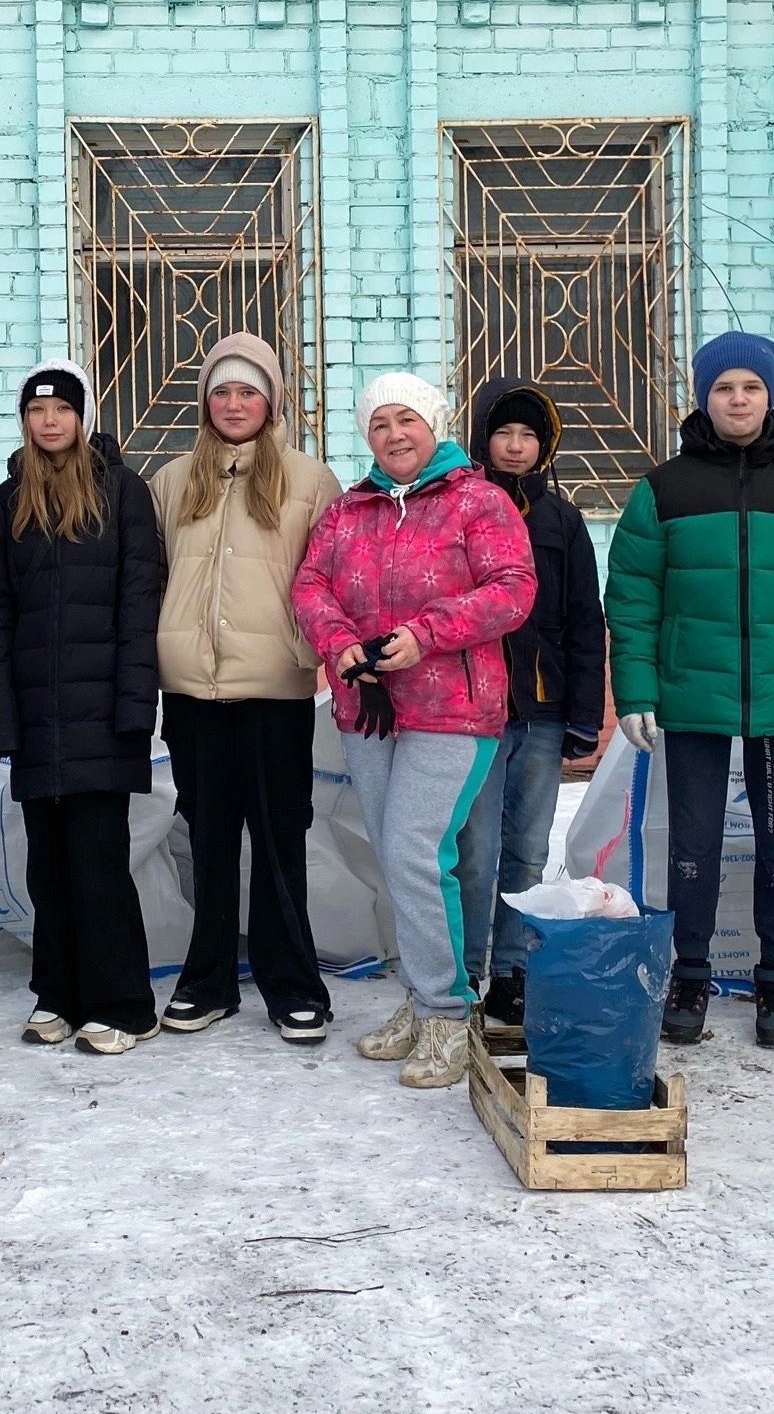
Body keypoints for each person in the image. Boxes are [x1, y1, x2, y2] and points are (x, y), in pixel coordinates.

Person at [603, 331, 774, 1052]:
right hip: (691, 703)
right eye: (724, 388)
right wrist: (635, 690)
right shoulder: (664, 489)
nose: (738, 400)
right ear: (704, 397)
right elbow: (631, 597)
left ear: (770, 394)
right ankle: (689, 972)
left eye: (750, 387)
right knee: (693, 846)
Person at [291, 373, 536, 1090]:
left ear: (434, 424)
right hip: (368, 708)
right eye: (379, 425)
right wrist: (340, 644)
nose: (394, 435)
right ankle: (423, 993)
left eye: (407, 420)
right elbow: (311, 584)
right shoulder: (348, 510)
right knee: (399, 859)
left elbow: (512, 588)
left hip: (453, 708)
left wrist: (424, 635)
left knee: (413, 851)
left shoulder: (477, 500)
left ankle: (446, 1011)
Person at [146, 333, 347, 1044]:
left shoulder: (309, 480)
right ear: (205, 401)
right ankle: (207, 981)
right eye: (222, 391)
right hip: (192, 692)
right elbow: (152, 580)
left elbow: (330, 577)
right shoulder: (172, 481)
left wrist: (314, 651)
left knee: (277, 836)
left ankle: (291, 983)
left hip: (276, 691)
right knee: (208, 838)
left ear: (271, 401)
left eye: (248, 391)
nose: (234, 404)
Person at [0, 362, 167, 1056]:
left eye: (61, 409)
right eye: (37, 410)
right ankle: (55, 994)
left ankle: (125, 1003)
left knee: (97, 863)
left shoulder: (124, 491)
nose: (49, 421)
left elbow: (138, 604)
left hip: (101, 713)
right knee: (46, 867)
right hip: (36, 715)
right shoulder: (8, 498)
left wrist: (133, 707)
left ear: (82, 416)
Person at [457, 379, 606, 1025]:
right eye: (504, 433)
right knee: (474, 846)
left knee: (525, 850)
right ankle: (464, 971)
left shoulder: (562, 520)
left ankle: (513, 970)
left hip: (541, 712)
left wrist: (581, 715)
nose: (516, 447)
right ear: (481, 438)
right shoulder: (458, 509)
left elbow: (582, 621)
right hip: (475, 711)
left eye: (528, 436)